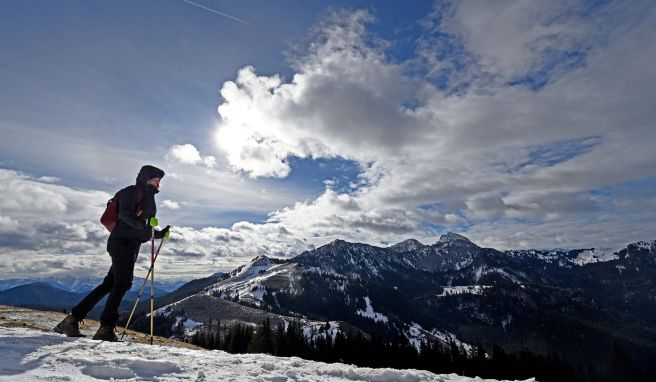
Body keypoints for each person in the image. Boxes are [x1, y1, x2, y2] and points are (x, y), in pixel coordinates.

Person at [54, 165, 170, 341]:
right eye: (155, 178)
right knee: (122, 284)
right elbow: (126, 216)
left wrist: (159, 233)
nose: (157, 182)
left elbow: (141, 226)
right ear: (146, 178)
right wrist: (146, 229)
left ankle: (71, 320)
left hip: (130, 244)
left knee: (110, 284)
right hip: (122, 243)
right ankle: (105, 328)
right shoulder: (132, 192)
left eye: (159, 180)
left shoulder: (147, 196)